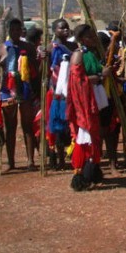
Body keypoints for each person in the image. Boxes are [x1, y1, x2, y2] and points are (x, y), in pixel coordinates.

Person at [0, 19, 40, 171]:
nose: (16, 32)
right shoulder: (1, 49)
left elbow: (36, 70)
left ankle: (30, 161)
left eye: (18, 30)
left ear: (22, 31)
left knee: (28, 126)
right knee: (10, 127)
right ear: (9, 31)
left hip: (25, 89)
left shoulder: (29, 47)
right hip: (7, 90)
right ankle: (11, 163)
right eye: (13, 30)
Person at [66, 24, 107, 190]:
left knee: (95, 137)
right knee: (86, 138)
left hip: (94, 101)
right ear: (83, 39)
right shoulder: (78, 55)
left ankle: (93, 170)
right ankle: (82, 175)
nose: (94, 39)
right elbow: (78, 82)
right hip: (83, 105)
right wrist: (99, 75)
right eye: (91, 37)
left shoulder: (91, 54)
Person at [47, 18, 76, 170]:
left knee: (71, 123)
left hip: (71, 89)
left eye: (67, 27)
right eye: (61, 28)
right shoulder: (51, 48)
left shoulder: (73, 46)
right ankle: (59, 158)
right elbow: (46, 71)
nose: (65, 30)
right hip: (56, 92)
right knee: (58, 125)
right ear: (55, 31)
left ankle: (74, 156)